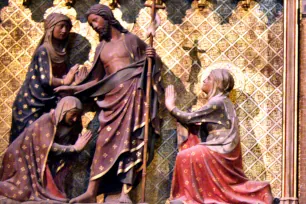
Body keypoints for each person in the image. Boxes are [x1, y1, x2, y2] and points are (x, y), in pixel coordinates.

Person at [54, 4, 162, 203]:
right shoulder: (102, 48)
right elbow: (95, 80)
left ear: (107, 17)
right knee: (103, 143)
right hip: (112, 102)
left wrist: (152, 59)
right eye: (91, 23)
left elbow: (150, 66)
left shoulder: (131, 40)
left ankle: (124, 193)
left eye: (96, 20)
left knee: (131, 143)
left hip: (134, 97)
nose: (94, 26)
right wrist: (71, 89)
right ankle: (91, 192)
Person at [165, 69, 273, 204]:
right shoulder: (222, 102)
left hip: (220, 148)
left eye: (209, 78)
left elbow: (189, 118)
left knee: (185, 156)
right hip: (219, 146)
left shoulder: (218, 102)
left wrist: (171, 106)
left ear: (217, 83)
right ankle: (195, 196)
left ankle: (190, 198)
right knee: (188, 154)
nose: (204, 80)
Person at [9, 13, 86, 143]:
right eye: (61, 26)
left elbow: (62, 78)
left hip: (48, 101)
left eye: (67, 27)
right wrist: (66, 80)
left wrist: (75, 82)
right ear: (51, 28)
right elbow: (46, 80)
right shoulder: (43, 50)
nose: (64, 31)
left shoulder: (61, 53)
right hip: (30, 102)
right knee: (25, 139)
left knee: (42, 139)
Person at [0, 96, 92, 202]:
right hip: (21, 157)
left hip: (43, 162)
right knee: (22, 191)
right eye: (73, 114)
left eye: (78, 115)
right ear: (64, 110)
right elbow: (47, 146)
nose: (75, 119)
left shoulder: (70, 126)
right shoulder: (47, 120)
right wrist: (74, 148)